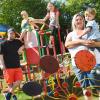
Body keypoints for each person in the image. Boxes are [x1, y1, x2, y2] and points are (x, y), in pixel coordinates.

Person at [65, 13, 100, 100]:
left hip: (92, 63)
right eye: (77, 19)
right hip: (77, 64)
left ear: (84, 21)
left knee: (98, 85)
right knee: (85, 88)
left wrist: (92, 43)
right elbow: (67, 44)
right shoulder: (71, 34)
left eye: (81, 19)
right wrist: (82, 42)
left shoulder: (90, 31)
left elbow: (99, 43)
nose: (79, 21)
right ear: (74, 22)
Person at [0, 28, 24, 100]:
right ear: (8, 34)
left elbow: (24, 43)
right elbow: (1, 56)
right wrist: (2, 65)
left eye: (13, 34)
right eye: (11, 33)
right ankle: (13, 96)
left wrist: (21, 48)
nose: (12, 35)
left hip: (17, 66)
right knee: (10, 84)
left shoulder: (17, 41)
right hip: (8, 67)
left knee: (19, 80)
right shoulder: (3, 44)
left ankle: (8, 93)